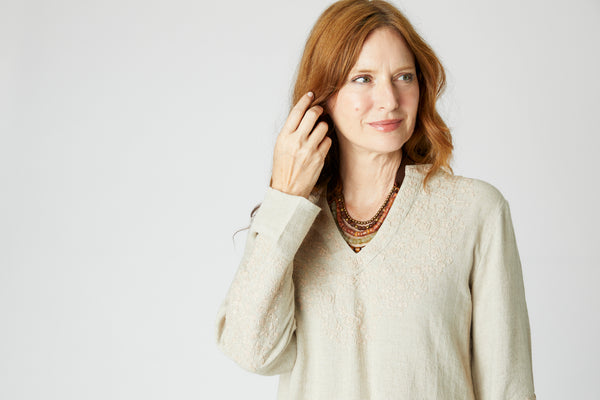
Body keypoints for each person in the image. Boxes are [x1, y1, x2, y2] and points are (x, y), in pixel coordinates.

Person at [214, 0, 536, 399]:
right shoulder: (291, 219)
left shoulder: (475, 211)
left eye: (403, 76)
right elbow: (251, 352)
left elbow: (509, 387)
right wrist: (284, 196)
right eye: (362, 79)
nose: (389, 99)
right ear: (324, 94)